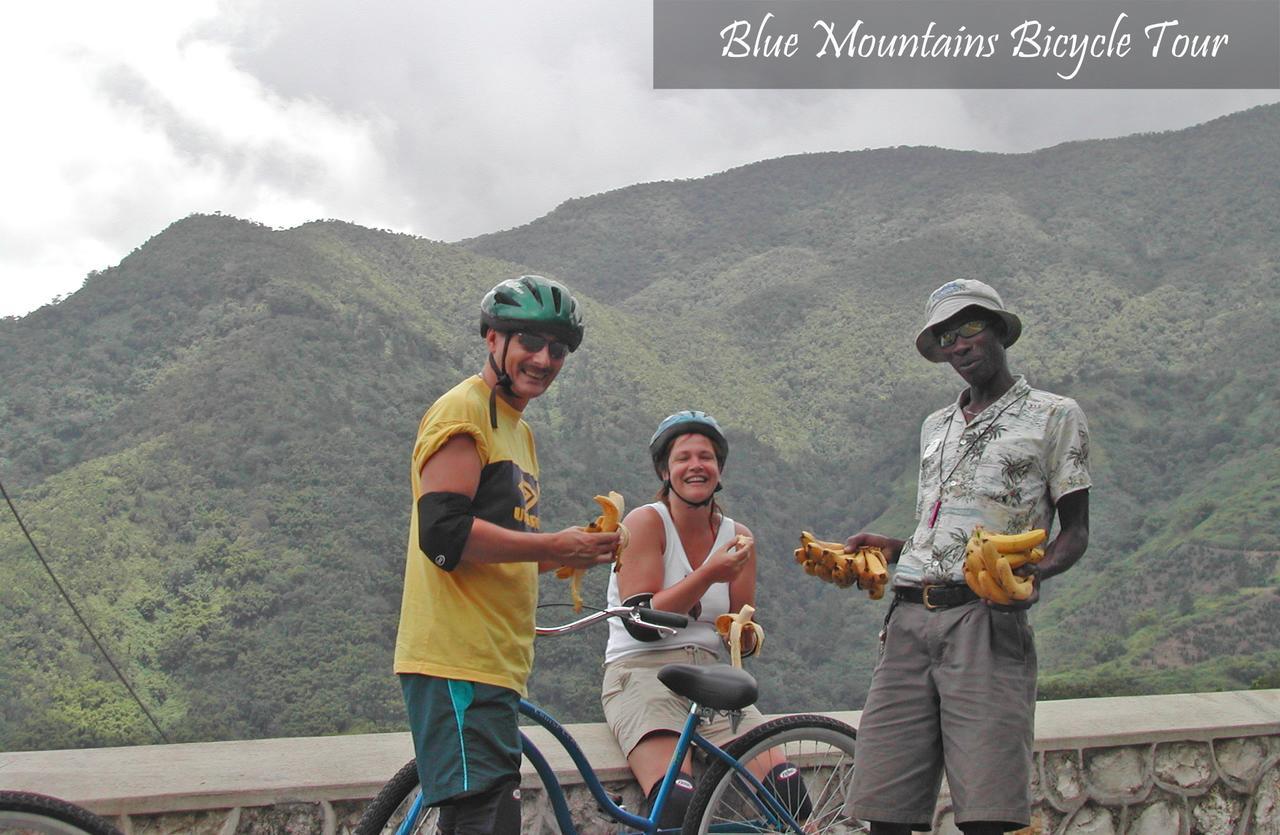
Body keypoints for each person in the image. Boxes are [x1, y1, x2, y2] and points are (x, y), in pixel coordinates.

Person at [846, 279, 1091, 834]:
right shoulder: (936, 425)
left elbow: (1075, 533)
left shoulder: (1054, 415)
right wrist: (894, 548)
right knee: (884, 812)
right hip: (908, 619)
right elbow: (941, 530)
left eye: (971, 328)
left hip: (986, 620)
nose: (959, 346)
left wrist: (1032, 573)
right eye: (947, 336)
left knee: (986, 816)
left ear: (1000, 330)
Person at [394, 275, 620, 835]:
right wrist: (552, 544)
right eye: (530, 342)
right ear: (493, 338)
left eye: (558, 350)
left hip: (495, 662)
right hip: (457, 658)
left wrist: (571, 553)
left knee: (495, 817)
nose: (544, 359)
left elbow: (498, 545)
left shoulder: (517, 429)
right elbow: (444, 537)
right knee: (478, 818)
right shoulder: (463, 414)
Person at [602, 410, 812, 830]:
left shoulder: (738, 537)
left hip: (711, 675)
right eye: (683, 458)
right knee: (677, 805)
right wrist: (708, 575)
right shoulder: (645, 523)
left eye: (707, 457)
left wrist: (746, 636)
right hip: (643, 673)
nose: (696, 466)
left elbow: (742, 627)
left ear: (719, 470)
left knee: (789, 792)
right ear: (665, 470)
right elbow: (641, 623)